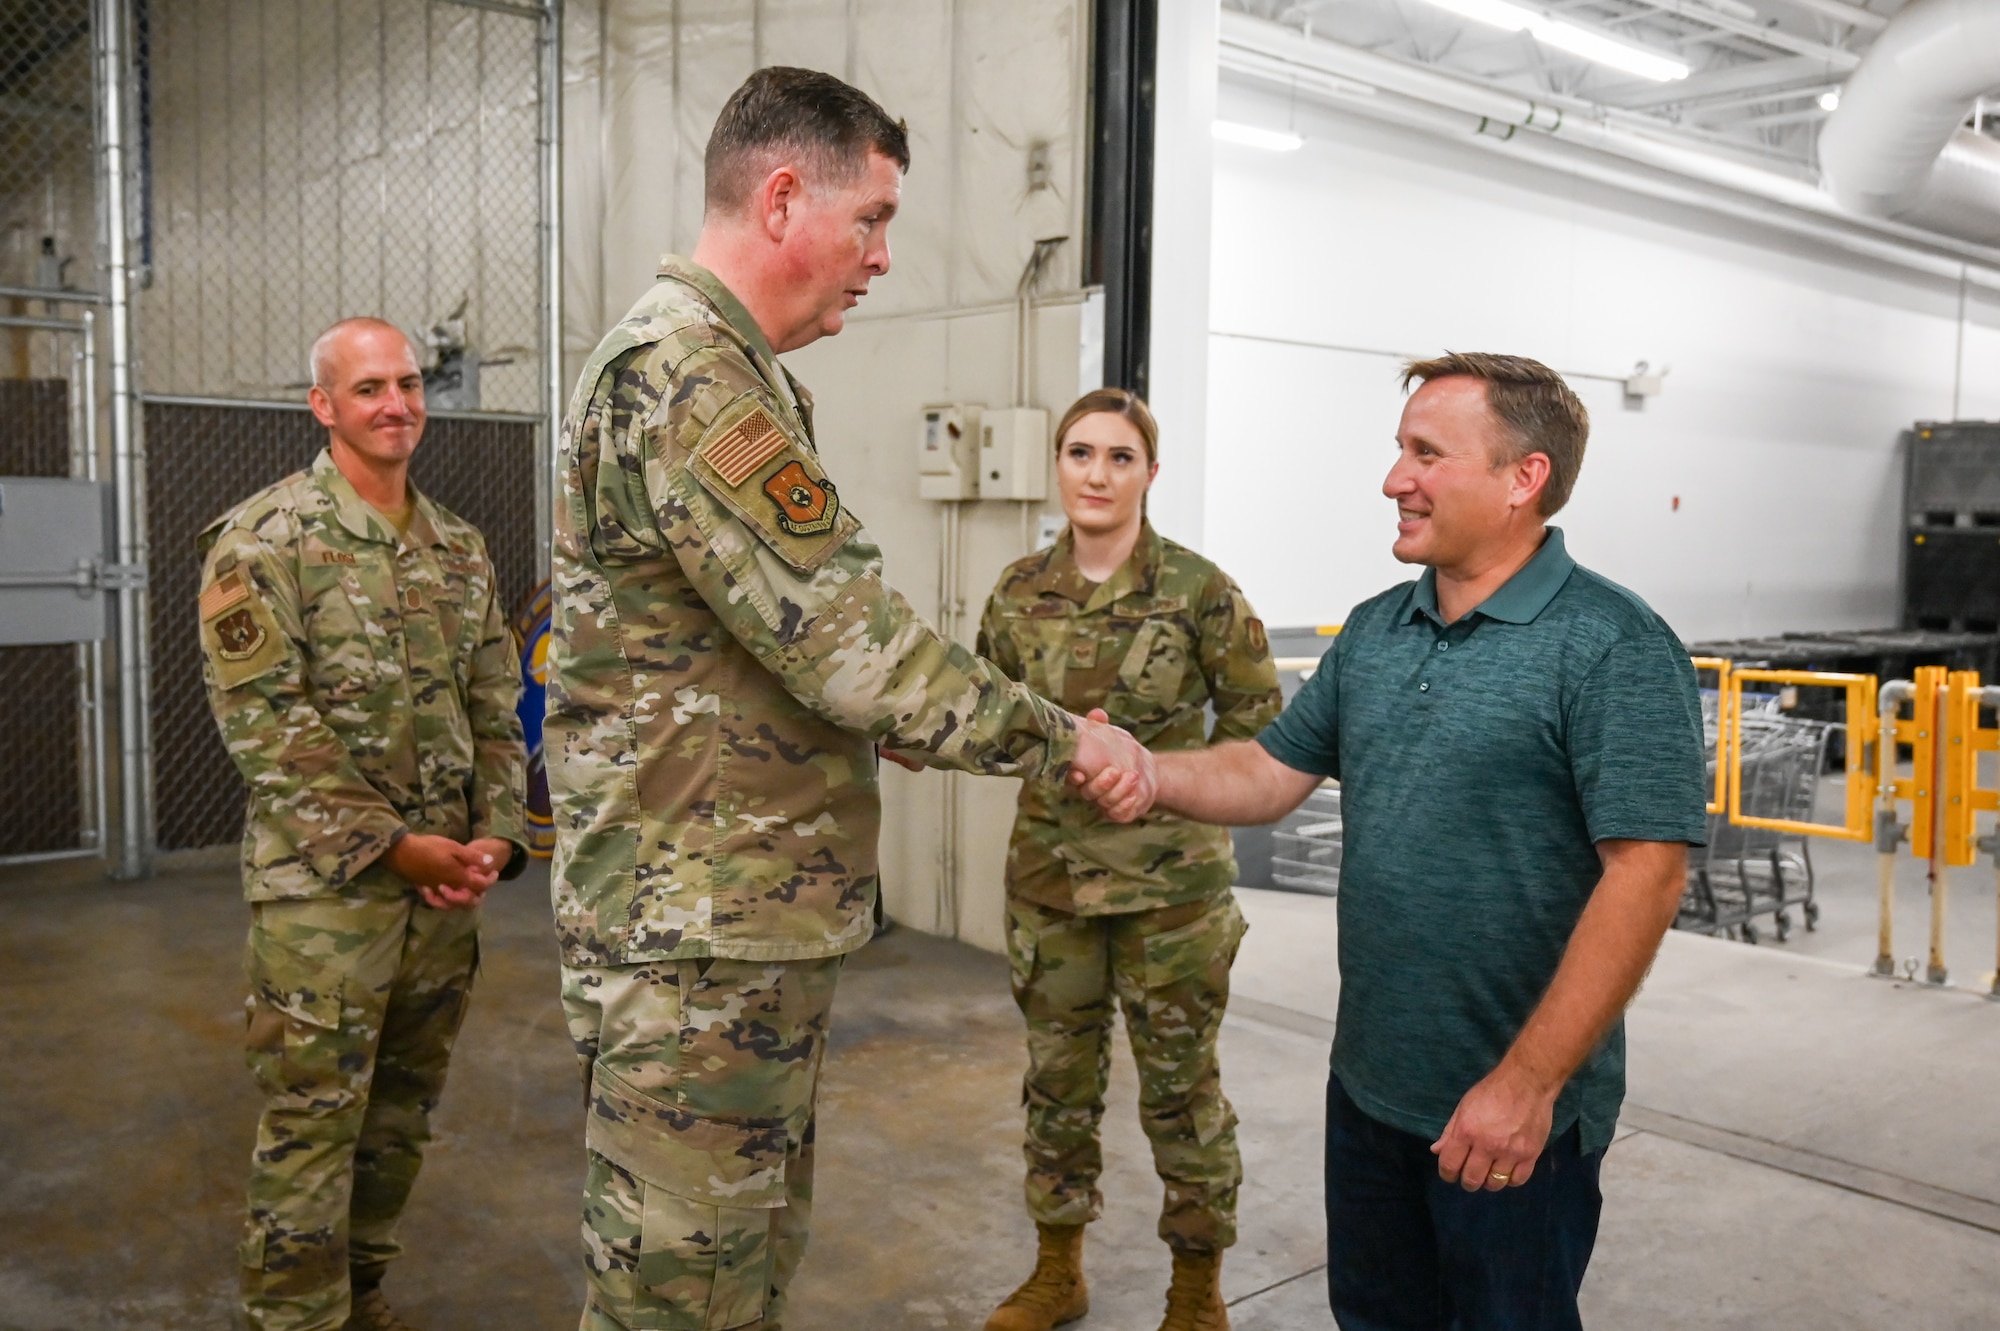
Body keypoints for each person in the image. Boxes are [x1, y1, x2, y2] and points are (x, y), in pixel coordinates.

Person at [546, 67, 1151, 1331]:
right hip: (698, 930)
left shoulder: (724, 371)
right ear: (780, 199)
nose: (882, 256)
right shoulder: (695, 378)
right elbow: (851, 646)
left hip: (728, 914)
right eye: (869, 219)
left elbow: (780, 651)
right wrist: (1058, 738)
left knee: (735, 1272)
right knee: (682, 1292)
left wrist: (889, 713)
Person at [1081, 353, 1707, 1330]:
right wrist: (1149, 769)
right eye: (1396, 449)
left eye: (1425, 453)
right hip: (1369, 1088)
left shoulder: (1609, 645)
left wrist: (1525, 1082)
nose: (1392, 478)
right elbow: (1269, 771)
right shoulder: (1376, 630)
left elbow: (1646, 874)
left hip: (1508, 1117)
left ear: (1520, 478)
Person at [197, 317, 529, 1331]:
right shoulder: (262, 541)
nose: (397, 403)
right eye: (370, 386)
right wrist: (391, 847)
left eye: (409, 382)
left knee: (399, 1117)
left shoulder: (458, 548)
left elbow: (495, 703)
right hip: (326, 899)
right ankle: (295, 1315)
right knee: (313, 1121)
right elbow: (268, 728)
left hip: (442, 895)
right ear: (324, 406)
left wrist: (500, 836)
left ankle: (362, 1291)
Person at [975, 389, 1281, 1331]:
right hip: (1052, 885)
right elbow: (986, 720)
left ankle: (1198, 1290)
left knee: (1182, 1093)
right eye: (1079, 453)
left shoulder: (1200, 591)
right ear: (1057, 466)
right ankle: (1058, 1269)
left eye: (1119, 456)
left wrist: (1160, 774)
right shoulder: (1018, 593)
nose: (1097, 474)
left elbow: (1264, 730)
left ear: (1151, 472)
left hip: (1172, 896)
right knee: (1057, 1085)